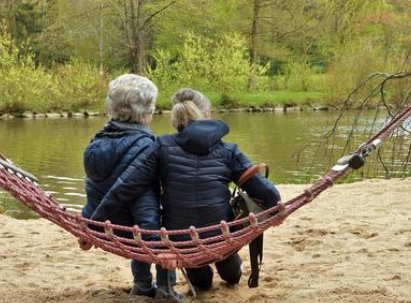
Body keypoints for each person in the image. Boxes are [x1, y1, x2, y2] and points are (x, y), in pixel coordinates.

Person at [91, 88, 281, 291]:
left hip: (182, 243)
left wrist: (93, 226)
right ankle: (228, 268)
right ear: (206, 114)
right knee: (231, 272)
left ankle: (205, 272)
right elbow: (268, 193)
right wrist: (275, 211)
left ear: (176, 118)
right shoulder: (228, 150)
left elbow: (126, 186)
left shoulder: (161, 146)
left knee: (201, 282)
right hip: (221, 236)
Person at [80, 74, 176, 298]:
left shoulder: (96, 142)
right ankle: (165, 288)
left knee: (138, 222)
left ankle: (141, 284)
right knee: (169, 219)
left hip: (106, 225)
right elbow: (145, 204)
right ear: (146, 112)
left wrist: (88, 225)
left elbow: (94, 191)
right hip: (135, 229)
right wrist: (157, 247)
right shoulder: (147, 146)